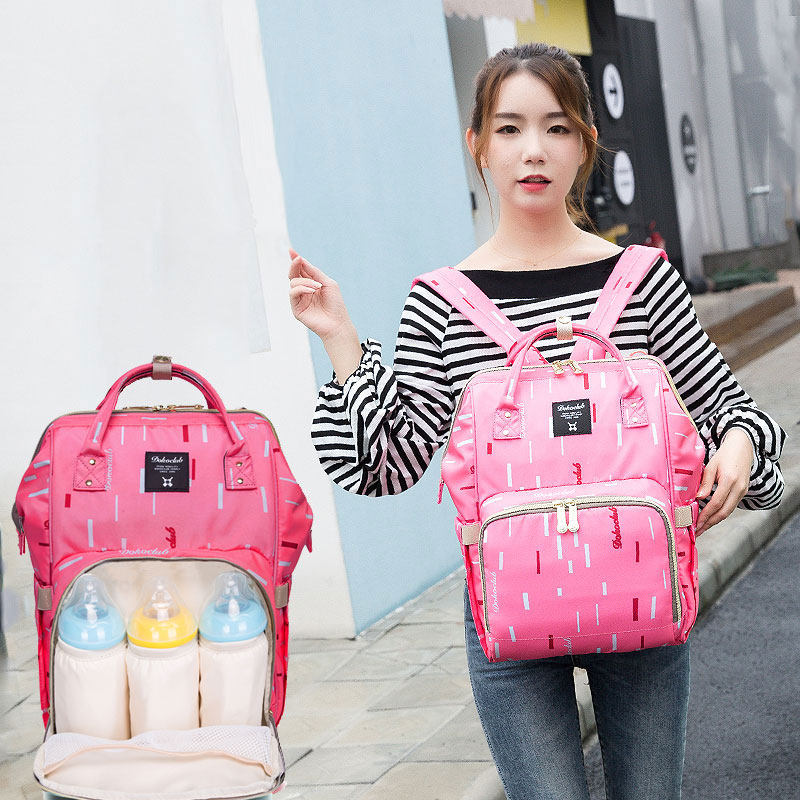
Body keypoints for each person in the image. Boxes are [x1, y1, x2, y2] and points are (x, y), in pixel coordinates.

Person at [289, 42, 784, 800]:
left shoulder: (643, 282)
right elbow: (387, 464)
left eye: (556, 127)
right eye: (509, 128)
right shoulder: (441, 302)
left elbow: (732, 411)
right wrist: (341, 341)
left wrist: (741, 448)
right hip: (509, 612)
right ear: (477, 145)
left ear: (585, 144)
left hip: (643, 595)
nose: (533, 150)